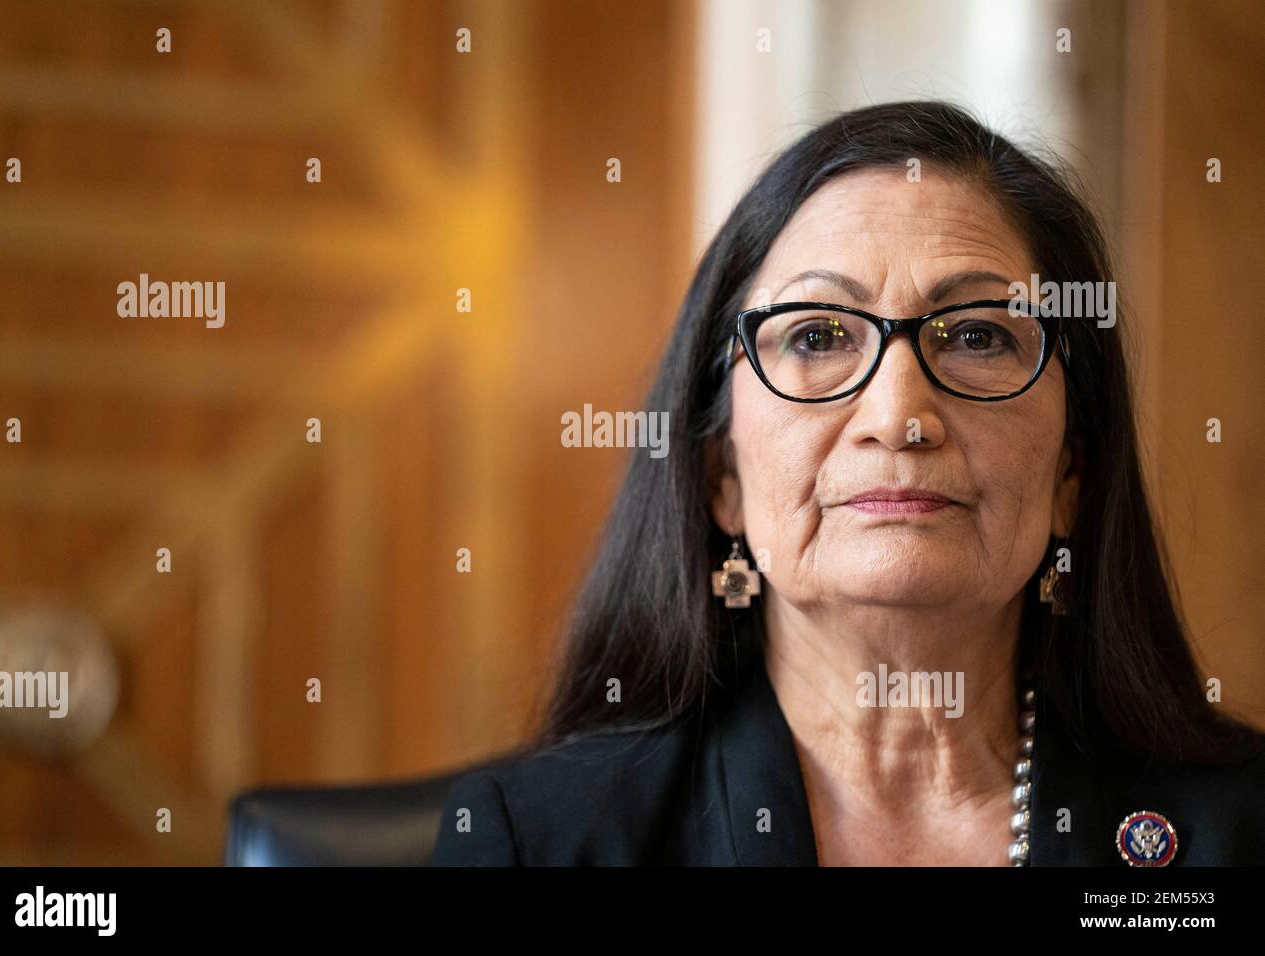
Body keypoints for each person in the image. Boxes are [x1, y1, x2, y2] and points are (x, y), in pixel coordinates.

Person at [427, 100, 1265, 866]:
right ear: (722, 475)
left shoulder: (1234, 830)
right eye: (819, 336)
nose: (900, 414)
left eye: (976, 336)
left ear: (1072, 474)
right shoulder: (536, 840)